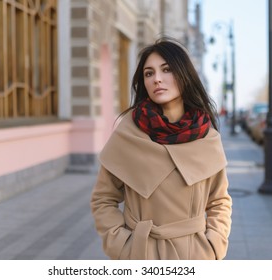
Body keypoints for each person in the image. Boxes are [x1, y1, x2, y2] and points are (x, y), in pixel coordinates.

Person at [90, 37, 232, 260]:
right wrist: (122, 247)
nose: (157, 79)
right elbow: (103, 199)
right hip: (142, 254)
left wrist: (214, 245)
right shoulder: (128, 134)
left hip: (196, 256)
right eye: (149, 73)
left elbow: (219, 201)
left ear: (184, 74)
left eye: (166, 70)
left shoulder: (207, 137)